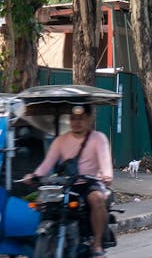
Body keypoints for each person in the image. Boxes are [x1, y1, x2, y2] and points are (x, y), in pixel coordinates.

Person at [24, 104, 114, 257]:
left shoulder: (98, 138)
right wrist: (34, 175)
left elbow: (105, 161)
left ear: (89, 119)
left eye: (81, 118)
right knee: (42, 202)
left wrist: (107, 175)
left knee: (96, 198)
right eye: (73, 118)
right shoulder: (61, 140)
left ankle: (97, 244)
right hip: (66, 184)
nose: (76, 122)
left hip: (90, 183)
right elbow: (47, 163)